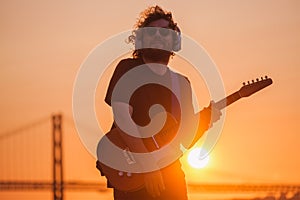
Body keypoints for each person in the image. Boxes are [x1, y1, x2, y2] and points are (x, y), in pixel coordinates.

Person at [96, 5, 221, 200]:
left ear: (173, 41)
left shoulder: (182, 83)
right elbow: (122, 117)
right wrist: (148, 166)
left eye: (164, 32)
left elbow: (182, 140)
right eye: (152, 31)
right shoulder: (128, 69)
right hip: (135, 174)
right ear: (142, 39)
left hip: (171, 173)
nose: (158, 36)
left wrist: (205, 121)